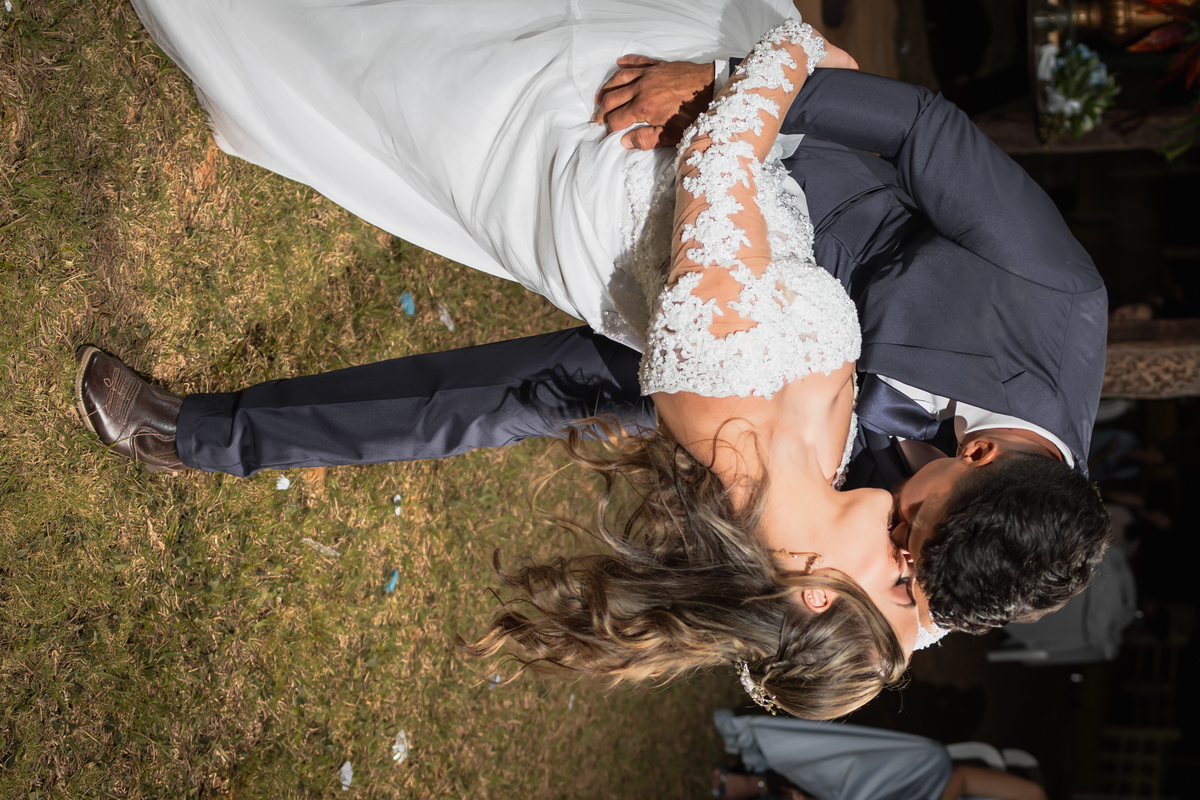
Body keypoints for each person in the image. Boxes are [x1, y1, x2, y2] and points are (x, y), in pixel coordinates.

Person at [79, 4, 1112, 637]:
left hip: (730, 384)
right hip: (759, 199)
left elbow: (880, 623)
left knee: (501, 405)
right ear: (979, 453)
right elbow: (927, 130)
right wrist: (730, 91)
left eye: (906, 555)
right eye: (914, 525)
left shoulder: (984, 564)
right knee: (459, 98)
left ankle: (206, 436)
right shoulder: (1058, 302)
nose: (898, 536)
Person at [710, 710, 1046, 800]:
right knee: (931, 757)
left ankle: (769, 786)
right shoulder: (1033, 796)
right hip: (929, 789)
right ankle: (765, 780)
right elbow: (964, 777)